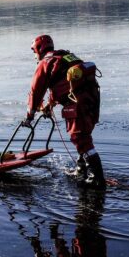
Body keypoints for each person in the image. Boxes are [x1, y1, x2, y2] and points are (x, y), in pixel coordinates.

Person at [23, 34, 105, 187]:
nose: (35, 55)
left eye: (35, 51)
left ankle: (98, 179)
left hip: (77, 103)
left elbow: (35, 91)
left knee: (80, 138)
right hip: (92, 99)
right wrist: (50, 104)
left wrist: (30, 116)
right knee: (83, 136)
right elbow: (63, 83)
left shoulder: (45, 62)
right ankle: (82, 170)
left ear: (39, 49)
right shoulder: (65, 57)